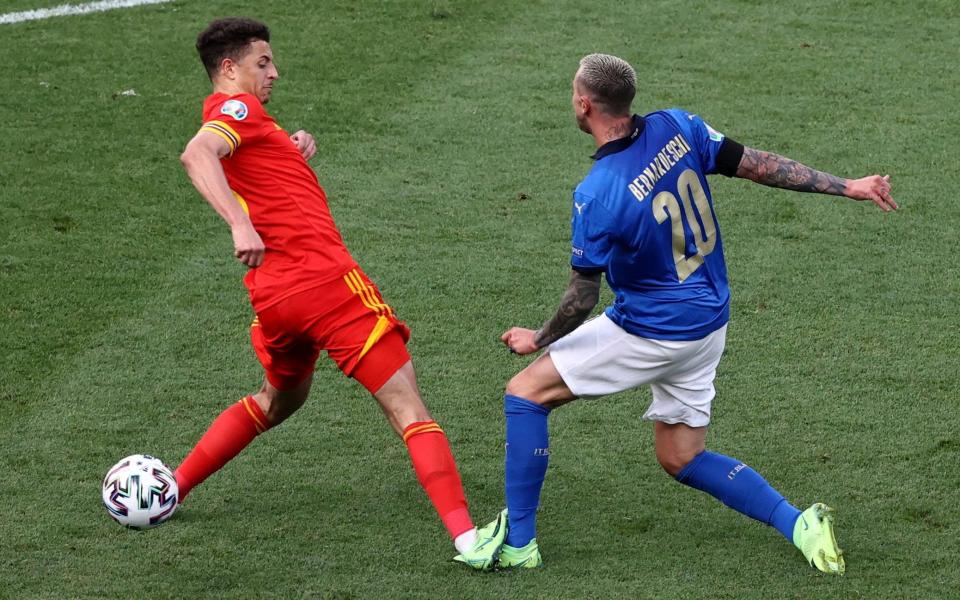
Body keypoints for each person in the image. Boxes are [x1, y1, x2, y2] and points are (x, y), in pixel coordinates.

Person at [471, 53, 897, 572]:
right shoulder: (679, 126)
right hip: (708, 324)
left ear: (584, 105)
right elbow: (758, 163)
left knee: (525, 394)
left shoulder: (597, 194)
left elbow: (582, 298)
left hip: (653, 331)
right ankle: (799, 523)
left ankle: (519, 544)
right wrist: (847, 185)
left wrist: (538, 339)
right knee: (681, 457)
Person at [175, 17, 505, 567]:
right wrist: (237, 223)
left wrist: (289, 148)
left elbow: (255, 171)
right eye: (263, 62)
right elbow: (196, 155)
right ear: (228, 68)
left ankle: (171, 489)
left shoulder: (253, 122)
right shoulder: (235, 110)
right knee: (407, 406)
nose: (275, 72)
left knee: (278, 401)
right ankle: (470, 541)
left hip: (275, 299)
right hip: (326, 285)